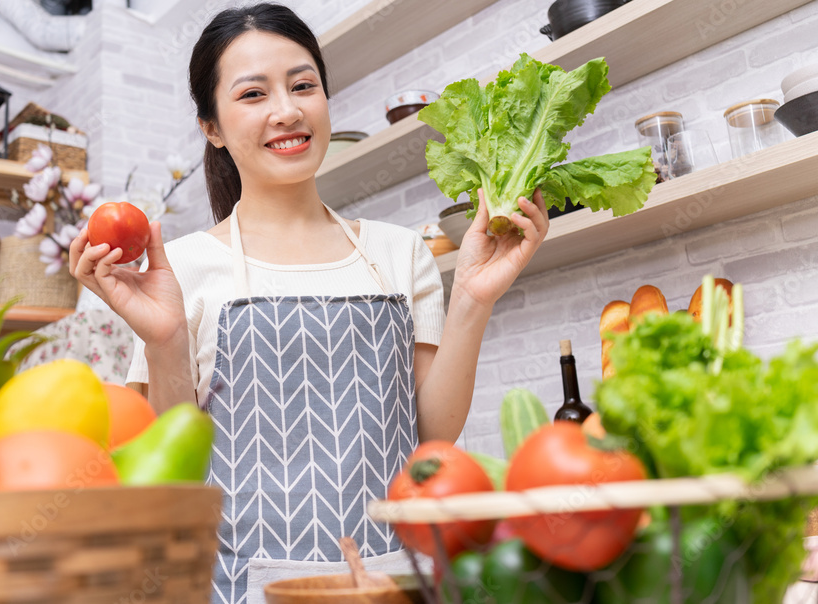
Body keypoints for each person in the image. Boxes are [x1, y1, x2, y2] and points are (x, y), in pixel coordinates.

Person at [69, 4, 549, 603]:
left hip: (387, 580)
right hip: (239, 589)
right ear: (211, 127)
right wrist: (164, 341)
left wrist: (474, 300)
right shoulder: (183, 266)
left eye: (304, 85)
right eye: (252, 94)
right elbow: (173, 472)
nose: (287, 110)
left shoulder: (397, 252)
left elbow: (432, 437)